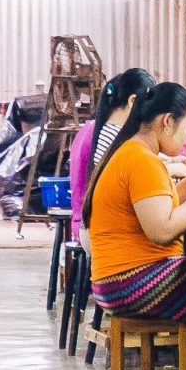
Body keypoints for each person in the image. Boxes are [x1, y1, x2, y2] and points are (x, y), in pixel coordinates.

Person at [83, 82, 186, 321]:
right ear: (168, 122)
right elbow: (162, 231)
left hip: (116, 280)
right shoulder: (142, 160)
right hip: (128, 281)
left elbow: (151, 209)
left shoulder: (133, 151)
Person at [67, 68, 154, 259]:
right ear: (132, 102)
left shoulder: (96, 129)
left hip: (85, 224)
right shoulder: (115, 136)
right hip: (96, 233)